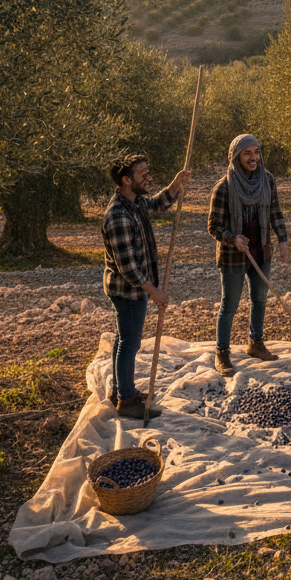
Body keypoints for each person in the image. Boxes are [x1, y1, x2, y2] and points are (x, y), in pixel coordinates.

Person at [101, 154, 190, 420]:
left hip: (132, 288)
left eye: (148, 172)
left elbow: (157, 203)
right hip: (127, 290)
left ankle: (120, 390)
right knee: (130, 344)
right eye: (143, 174)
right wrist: (154, 291)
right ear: (126, 180)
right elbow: (128, 268)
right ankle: (126, 401)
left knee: (123, 340)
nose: (149, 178)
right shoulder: (117, 216)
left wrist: (175, 184)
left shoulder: (135, 202)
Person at [209, 134, 289, 376]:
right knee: (230, 305)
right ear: (237, 157)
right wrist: (233, 238)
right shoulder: (223, 187)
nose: (253, 157)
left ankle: (255, 343)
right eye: (247, 153)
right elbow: (213, 226)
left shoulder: (267, 180)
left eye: (256, 152)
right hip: (234, 255)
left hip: (261, 251)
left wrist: (283, 240)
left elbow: (274, 211)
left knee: (260, 299)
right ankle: (222, 353)